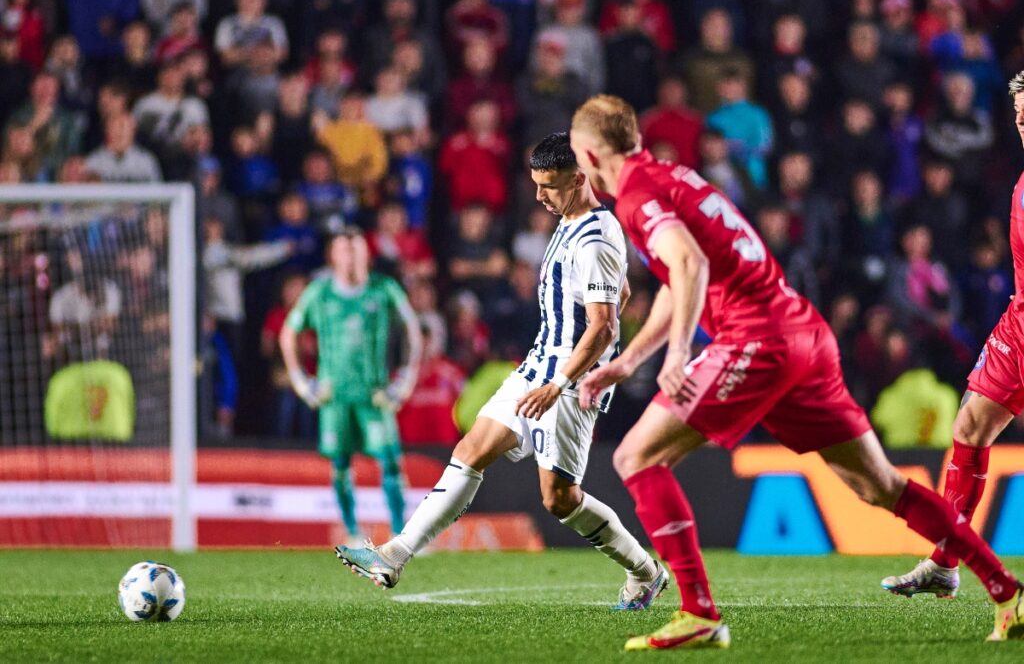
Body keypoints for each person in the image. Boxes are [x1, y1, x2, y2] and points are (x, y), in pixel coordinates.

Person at [567, 94, 1023, 650]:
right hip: (803, 332)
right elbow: (678, 275)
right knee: (880, 486)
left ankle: (699, 612)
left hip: (757, 339)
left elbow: (688, 263)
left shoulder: (637, 196)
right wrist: (628, 361)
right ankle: (1006, 591)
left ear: (589, 154)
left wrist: (678, 355)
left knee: (635, 457)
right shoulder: (669, 175)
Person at [335, 133, 669, 611]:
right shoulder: (570, 219)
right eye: (534, 184)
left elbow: (602, 326)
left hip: (568, 383)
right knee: (470, 450)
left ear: (579, 179)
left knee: (559, 500)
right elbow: (619, 298)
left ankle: (645, 571)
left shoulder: (596, 238)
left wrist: (561, 383)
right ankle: (393, 554)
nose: (538, 196)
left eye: (548, 186)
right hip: (538, 366)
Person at [880, 70, 1024, 605]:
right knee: (968, 427)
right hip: (1019, 324)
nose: (1023, 122)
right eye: (1017, 115)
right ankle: (944, 562)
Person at [280, 228, 422, 545]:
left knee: (390, 462)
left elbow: (413, 328)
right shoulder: (320, 292)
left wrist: (406, 378)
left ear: (367, 255)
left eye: (357, 250)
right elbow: (288, 333)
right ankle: (353, 533)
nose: (352, 257)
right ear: (333, 255)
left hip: (374, 394)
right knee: (341, 464)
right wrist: (302, 382)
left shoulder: (383, 289)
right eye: (345, 250)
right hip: (335, 396)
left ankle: (401, 534)